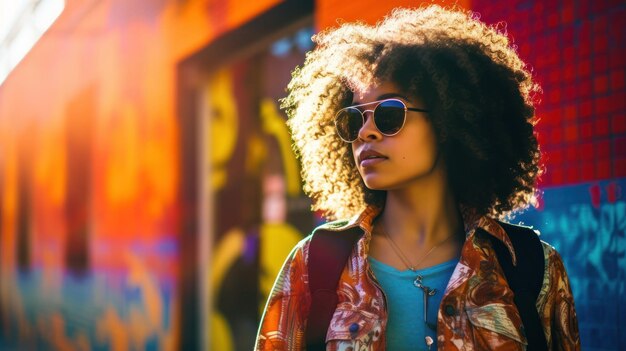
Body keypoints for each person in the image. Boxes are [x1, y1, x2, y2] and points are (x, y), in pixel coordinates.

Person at [255, 5, 580, 350]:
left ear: (447, 122)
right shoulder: (313, 266)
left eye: (388, 114)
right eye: (354, 119)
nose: (366, 132)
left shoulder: (531, 266)